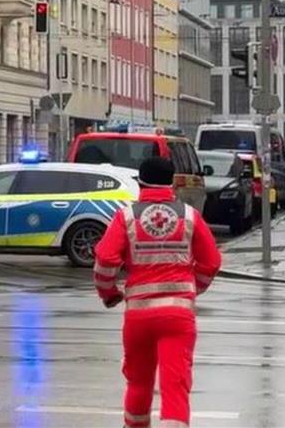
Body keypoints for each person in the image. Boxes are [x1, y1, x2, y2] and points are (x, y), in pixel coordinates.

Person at [94, 156, 222, 428]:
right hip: (178, 317)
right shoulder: (189, 216)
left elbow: (105, 261)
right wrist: (191, 289)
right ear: (172, 183)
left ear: (140, 183)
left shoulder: (126, 217)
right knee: (175, 386)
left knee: (138, 384)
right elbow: (211, 262)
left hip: (138, 317)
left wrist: (109, 294)